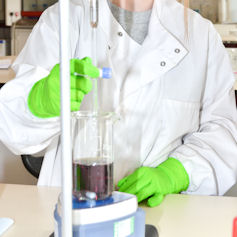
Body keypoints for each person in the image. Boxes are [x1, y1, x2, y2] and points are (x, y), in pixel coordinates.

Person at [0, 0, 237, 207]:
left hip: (165, 209)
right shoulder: (63, 19)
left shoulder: (199, 34)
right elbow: (11, 126)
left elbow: (223, 129)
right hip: (73, 208)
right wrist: (40, 101)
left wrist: (178, 172)